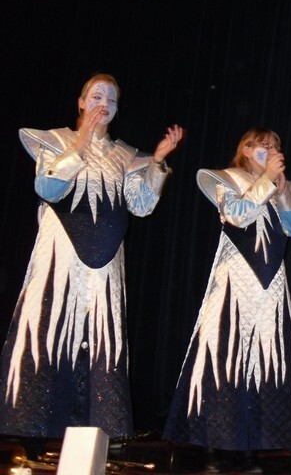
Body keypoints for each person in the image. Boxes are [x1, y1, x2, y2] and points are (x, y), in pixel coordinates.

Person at [0, 73, 184, 442]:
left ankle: (97, 431)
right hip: (61, 252)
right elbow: (48, 186)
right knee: (50, 324)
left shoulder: (124, 155)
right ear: (82, 102)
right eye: (97, 96)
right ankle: (32, 430)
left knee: (101, 335)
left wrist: (157, 162)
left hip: (106, 260)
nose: (104, 103)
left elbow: (141, 206)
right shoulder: (57, 141)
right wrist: (81, 140)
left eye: (111, 99)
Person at [162, 128, 291, 473]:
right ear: (245, 150)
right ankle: (211, 446)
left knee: (261, 363)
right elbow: (237, 215)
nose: (271, 151)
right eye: (264, 146)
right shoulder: (228, 180)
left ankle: (249, 448)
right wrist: (265, 182)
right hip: (234, 282)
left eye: (275, 146)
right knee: (221, 360)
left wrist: (282, 190)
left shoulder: (280, 186)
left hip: (270, 287)